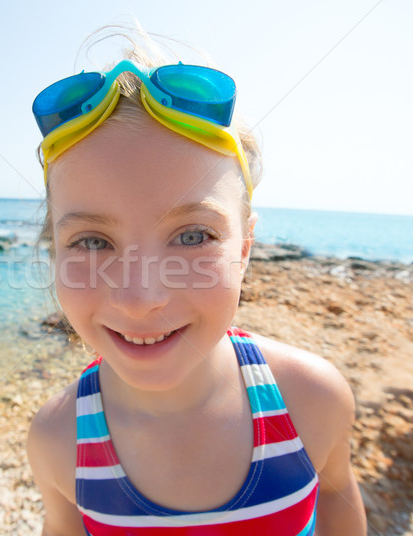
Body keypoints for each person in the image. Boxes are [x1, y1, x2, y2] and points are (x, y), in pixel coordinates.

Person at [27, 29, 367, 536]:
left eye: (192, 235)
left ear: (245, 247)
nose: (141, 298)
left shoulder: (311, 400)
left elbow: (339, 502)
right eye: (93, 242)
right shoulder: (57, 442)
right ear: (55, 251)